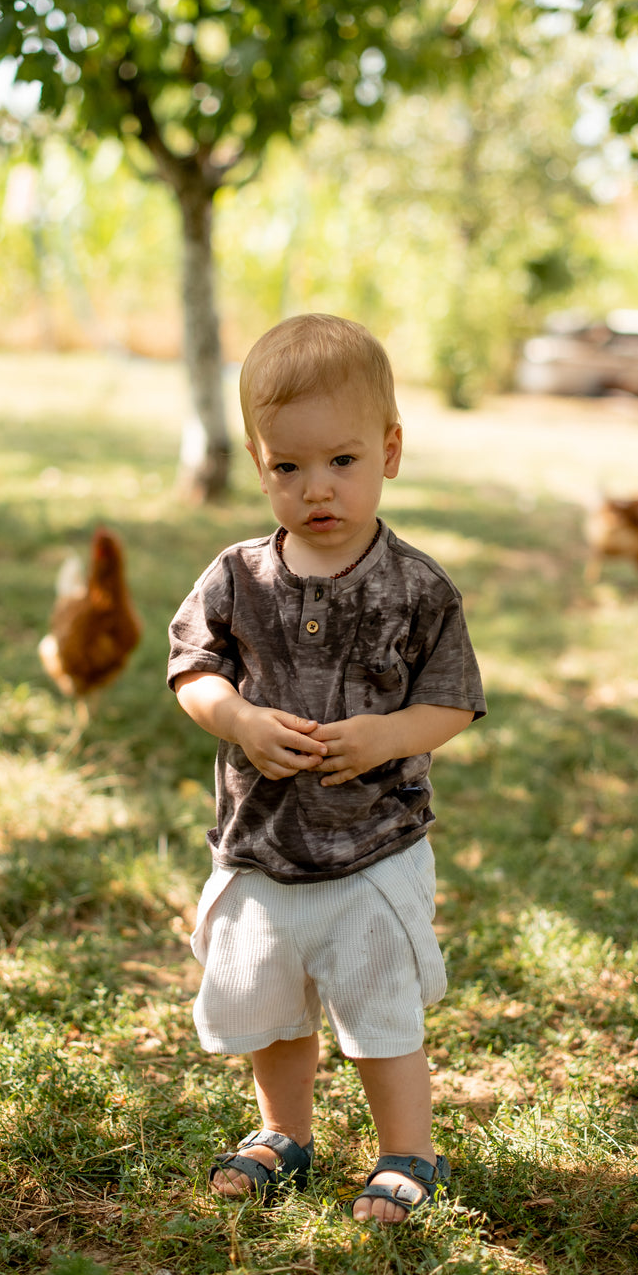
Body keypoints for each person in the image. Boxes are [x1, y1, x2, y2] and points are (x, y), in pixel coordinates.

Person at [167, 312, 486, 1224]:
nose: (318, 489)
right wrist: (233, 717)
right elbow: (191, 667)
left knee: (379, 1005)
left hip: (373, 849)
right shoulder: (236, 576)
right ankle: (283, 1132)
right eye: (288, 467)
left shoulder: (417, 587)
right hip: (261, 846)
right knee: (272, 1004)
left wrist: (388, 736)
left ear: (390, 451)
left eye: (342, 462)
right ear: (259, 463)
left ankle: (407, 1154)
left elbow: (453, 699)